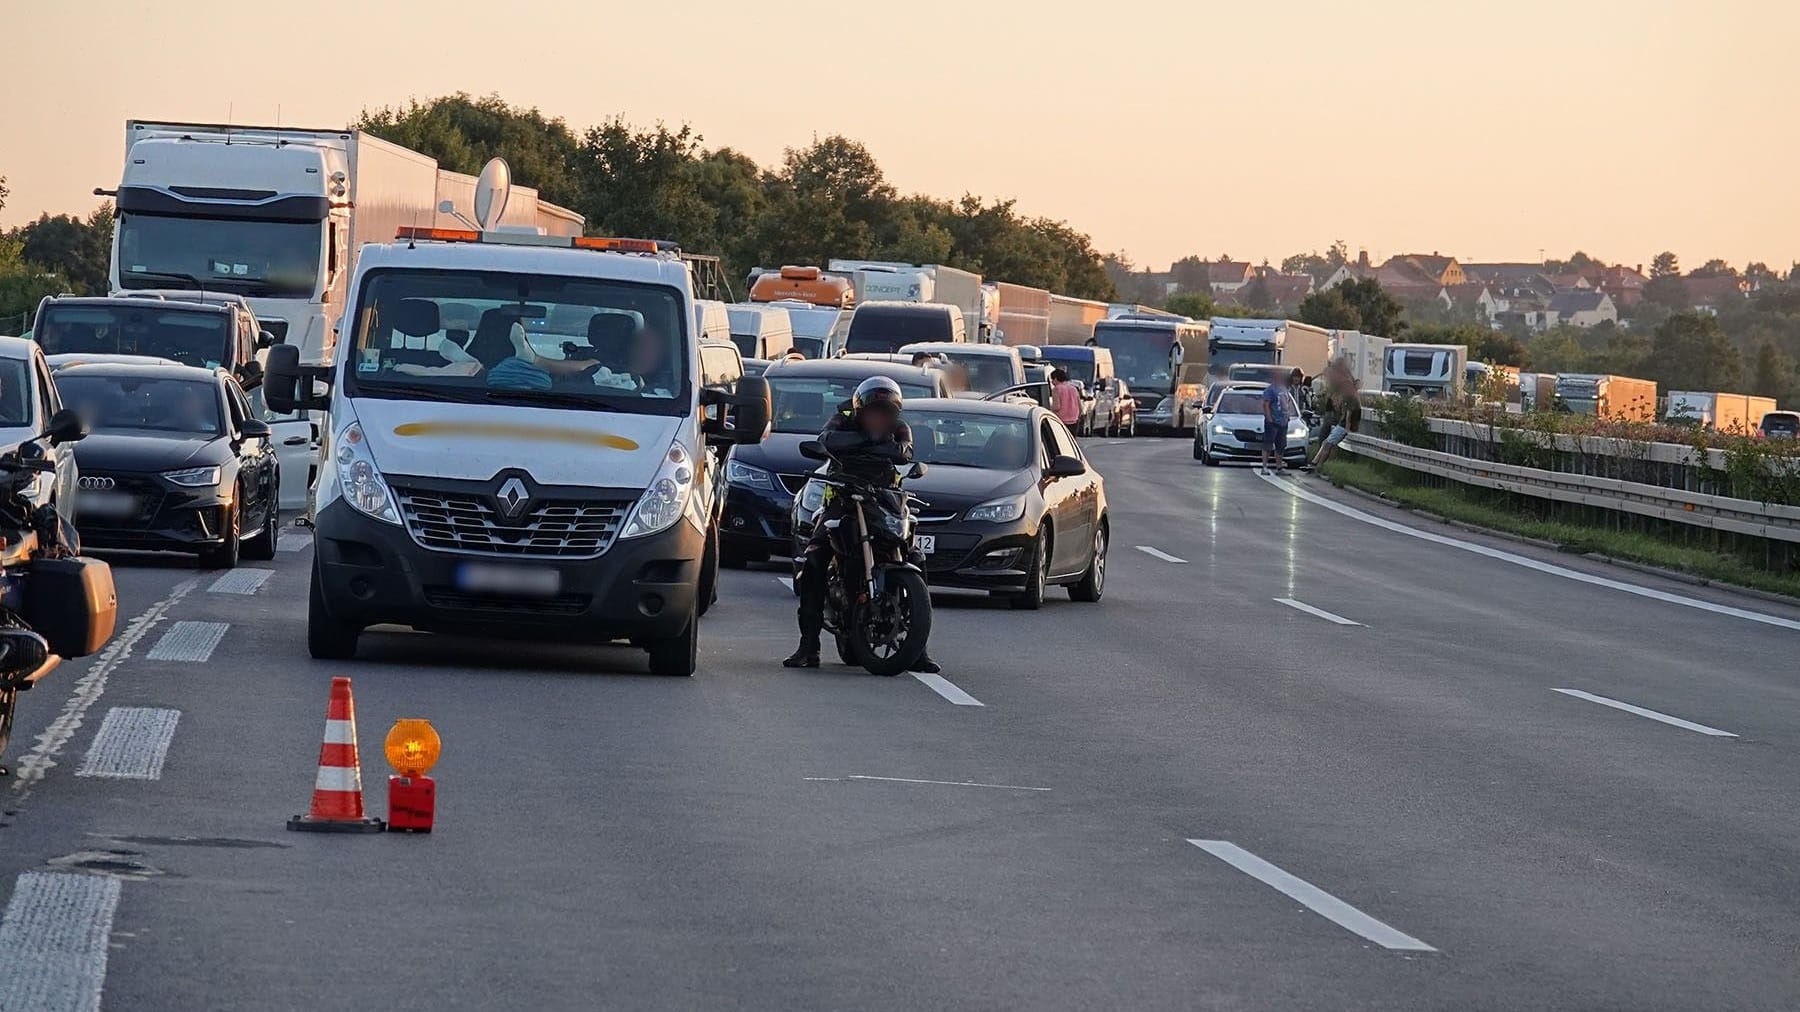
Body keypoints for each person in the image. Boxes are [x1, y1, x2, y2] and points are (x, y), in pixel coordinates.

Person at [785, 376, 939, 674]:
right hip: (842, 496)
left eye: (884, 412)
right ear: (860, 410)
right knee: (815, 559)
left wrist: (866, 446)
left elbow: (903, 452)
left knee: (916, 557)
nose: (878, 418)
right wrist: (870, 442)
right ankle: (808, 645)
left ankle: (918, 648)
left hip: (884, 499)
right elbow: (827, 441)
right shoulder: (841, 419)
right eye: (873, 412)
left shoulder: (900, 427)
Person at [1309, 360, 1360, 473]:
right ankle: (1315, 463)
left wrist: (1347, 427)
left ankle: (1318, 465)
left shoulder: (1348, 396)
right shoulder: (1347, 392)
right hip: (1342, 424)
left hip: (1343, 425)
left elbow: (1349, 413)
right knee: (1326, 442)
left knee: (1327, 443)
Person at [1259, 370, 1290, 476]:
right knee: (1268, 444)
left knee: (1281, 445)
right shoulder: (1270, 390)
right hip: (1273, 421)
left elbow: (1286, 403)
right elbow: (1266, 404)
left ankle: (1279, 467)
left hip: (1283, 422)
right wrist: (1269, 418)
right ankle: (1264, 466)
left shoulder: (1284, 389)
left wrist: (1287, 417)